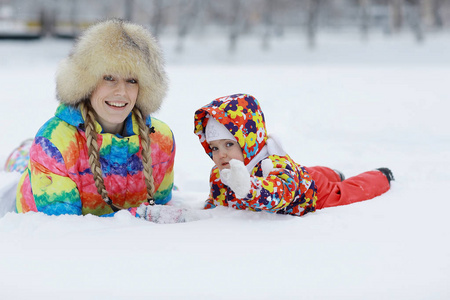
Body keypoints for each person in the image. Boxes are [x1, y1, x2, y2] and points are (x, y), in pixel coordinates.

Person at [14, 19, 178, 220]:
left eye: (132, 80)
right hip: (37, 189)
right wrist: (140, 216)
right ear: (87, 83)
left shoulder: (160, 140)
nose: (121, 92)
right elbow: (62, 229)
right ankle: (22, 152)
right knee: (20, 162)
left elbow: (162, 211)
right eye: (109, 78)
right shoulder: (53, 143)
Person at [194, 93, 394, 216]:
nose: (221, 154)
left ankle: (379, 177)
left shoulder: (273, 166)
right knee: (304, 172)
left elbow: (277, 195)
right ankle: (331, 172)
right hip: (299, 175)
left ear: (248, 141)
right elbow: (218, 200)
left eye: (229, 144)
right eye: (214, 148)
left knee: (345, 192)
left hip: (310, 194)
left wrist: (249, 188)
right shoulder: (220, 173)